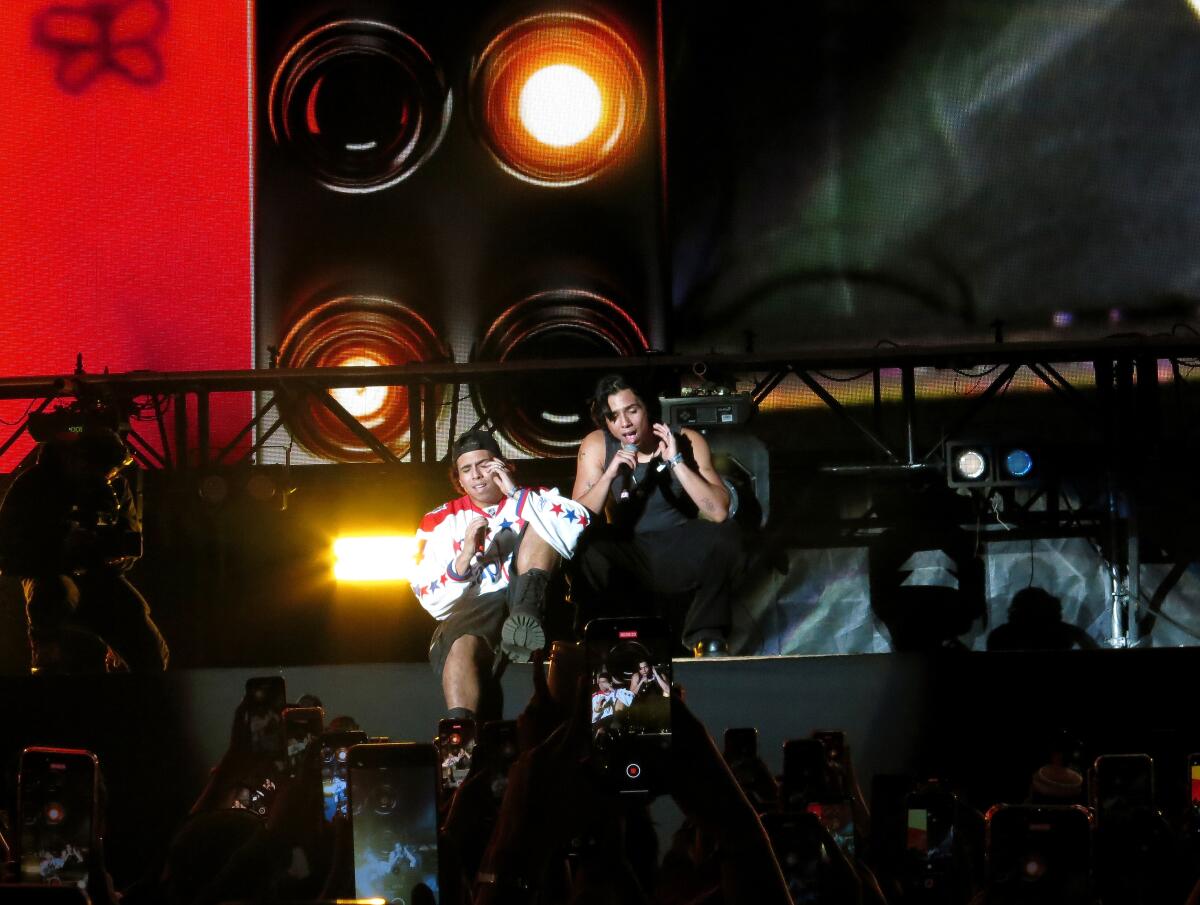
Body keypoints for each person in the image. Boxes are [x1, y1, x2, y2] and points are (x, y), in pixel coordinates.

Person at [412, 429, 589, 719]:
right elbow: (431, 601)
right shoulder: (439, 520)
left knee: (543, 521)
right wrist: (465, 555)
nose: (477, 475)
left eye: (484, 464)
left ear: (502, 465)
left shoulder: (536, 497)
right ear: (458, 477)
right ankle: (461, 738)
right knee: (460, 642)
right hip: (478, 609)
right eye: (467, 469)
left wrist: (516, 494)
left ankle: (524, 615)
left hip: (535, 597)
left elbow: (578, 521)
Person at [571, 373, 743, 656]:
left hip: (677, 547)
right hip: (629, 550)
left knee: (726, 534)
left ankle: (706, 636)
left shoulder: (687, 440)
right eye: (614, 417)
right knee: (589, 544)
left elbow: (719, 512)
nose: (625, 423)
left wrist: (676, 462)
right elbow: (575, 522)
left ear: (647, 408)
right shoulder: (596, 445)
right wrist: (610, 474)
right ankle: (603, 638)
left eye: (632, 411)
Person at [0, 424, 168, 673]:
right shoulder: (34, 485)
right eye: (99, 472)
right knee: (55, 591)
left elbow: (128, 542)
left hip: (100, 576)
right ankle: (46, 655)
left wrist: (115, 557)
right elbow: (7, 551)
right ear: (75, 460)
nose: (104, 480)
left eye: (109, 475)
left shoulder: (117, 487)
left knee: (147, 642)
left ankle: (139, 700)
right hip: (48, 571)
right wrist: (59, 543)